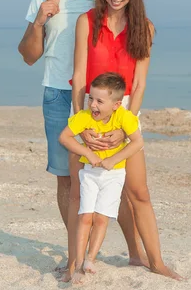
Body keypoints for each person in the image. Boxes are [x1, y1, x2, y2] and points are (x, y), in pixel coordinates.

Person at [67, 0, 182, 281]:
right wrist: (83, 124)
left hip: (127, 113)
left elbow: (141, 83)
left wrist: (123, 126)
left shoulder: (144, 27)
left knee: (138, 192)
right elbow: (78, 77)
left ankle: (155, 261)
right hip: (88, 112)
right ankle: (74, 264)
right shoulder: (86, 21)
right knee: (81, 193)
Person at [18, 0, 97, 271]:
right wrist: (39, 22)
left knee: (98, 175)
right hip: (56, 92)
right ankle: (75, 252)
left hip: (96, 96)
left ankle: (93, 252)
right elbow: (28, 56)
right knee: (65, 178)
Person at [59, 72, 144, 284]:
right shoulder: (84, 117)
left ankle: (90, 259)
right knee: (85, 217)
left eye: (99, 101)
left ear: (116, 104)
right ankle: (78, 264)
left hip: (114, 176)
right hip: (89, 175)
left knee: (101, 218)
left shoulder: (124, 117)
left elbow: (137, 142)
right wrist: (87, 153)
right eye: (90, 98)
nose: (93, 105)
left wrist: (114, 159)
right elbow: (64, 137)